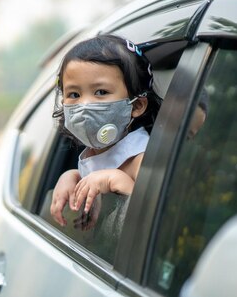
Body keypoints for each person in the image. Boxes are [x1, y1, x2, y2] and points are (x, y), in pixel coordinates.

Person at [50, 35, 162, 227]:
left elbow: (151, 220)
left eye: (101, 92)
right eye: (74, 94)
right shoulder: (90, 157)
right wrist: (72, 176)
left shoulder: (145, 160)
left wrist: (118, 181)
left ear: (136, 106)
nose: (85, 105)